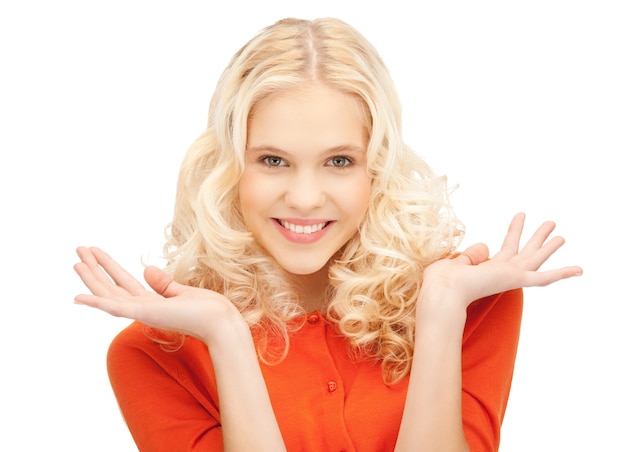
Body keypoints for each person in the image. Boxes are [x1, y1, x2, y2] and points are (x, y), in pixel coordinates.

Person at [73, 17, 582, 452]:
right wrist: (226, 335)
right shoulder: (153, 355)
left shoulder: (472, 302)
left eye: (339, 161)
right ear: (226, 167)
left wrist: (443, 307)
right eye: (272, 160)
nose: (306, 198)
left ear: (376, 168)